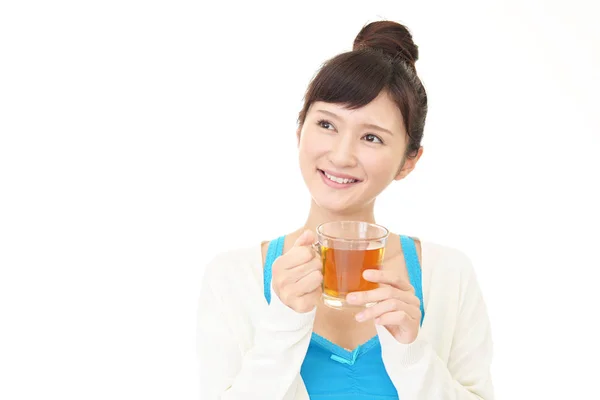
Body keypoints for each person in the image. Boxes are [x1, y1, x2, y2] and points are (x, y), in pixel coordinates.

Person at [196, 20, 494, 400]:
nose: (341, 155)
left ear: (408, 161)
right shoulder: (233, 278)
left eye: (371, 137)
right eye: (326, 124)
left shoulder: (449, 275)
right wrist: (283, 323)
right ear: (300, 129)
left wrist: (411, 351)